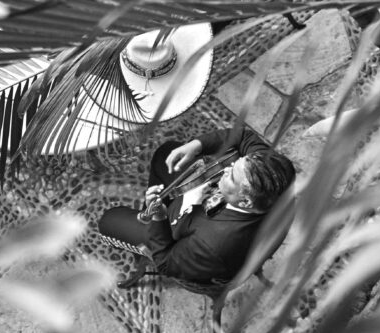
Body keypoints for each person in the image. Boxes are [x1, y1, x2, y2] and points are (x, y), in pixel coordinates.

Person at [98, 123, 295, 288]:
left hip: (176, 235)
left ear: (245, 201)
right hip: (199, 210)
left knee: (109, 220)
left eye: (232, 177)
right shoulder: (276, 176)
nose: (226, 169)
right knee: (163, 154)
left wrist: (159, 218)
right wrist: (197, 145)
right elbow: (243, 136)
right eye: (235, 165)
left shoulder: (214, 246)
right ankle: (149, 209)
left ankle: (147, 219)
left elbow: (165, 263)